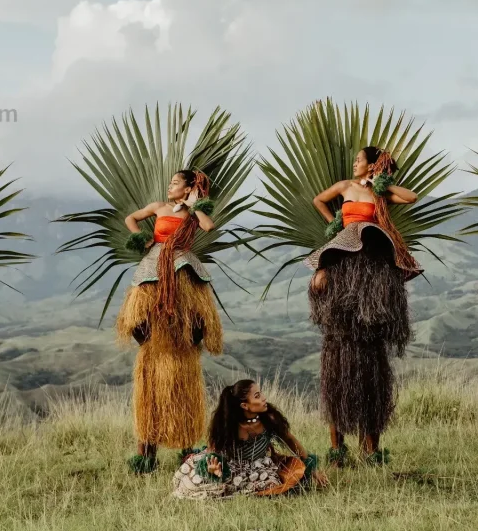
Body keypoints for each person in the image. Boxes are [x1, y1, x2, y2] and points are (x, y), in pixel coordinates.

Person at [304, 146, 420, 465]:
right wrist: (335, 223)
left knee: (371, 355)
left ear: (371, 165)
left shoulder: (379, 194)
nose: (354, 163)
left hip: (371, 261)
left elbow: (411, 197)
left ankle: (370, 449)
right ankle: (337, 448)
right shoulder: (344, 186)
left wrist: (381, 183)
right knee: (335, 345)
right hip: (343, 253)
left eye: (359, 160)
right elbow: (318, 200)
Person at [117, 170, 224, 474]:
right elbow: (131, 218)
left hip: (182, 266)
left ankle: (187, 450)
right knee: (139, 314)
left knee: (190, 321)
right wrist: (143, 239)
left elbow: (208, 226)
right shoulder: (158, 207)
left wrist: (194, 205)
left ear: (189, 188)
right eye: (171, 183)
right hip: (153, 265)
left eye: (176, 183)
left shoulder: (192, 213)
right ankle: (146, 455)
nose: (170, 186)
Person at [173, 379, 327, 499]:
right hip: (231, 465)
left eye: (261, 393)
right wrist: (213, 469)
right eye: (257, 396)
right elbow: (213, 453)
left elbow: (290, 440)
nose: (264, 398)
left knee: (285, 483)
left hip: (260, 466)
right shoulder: (229, 426)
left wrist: (311, 468)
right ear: (245, 406)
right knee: (201, 485)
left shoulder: (269, 418)